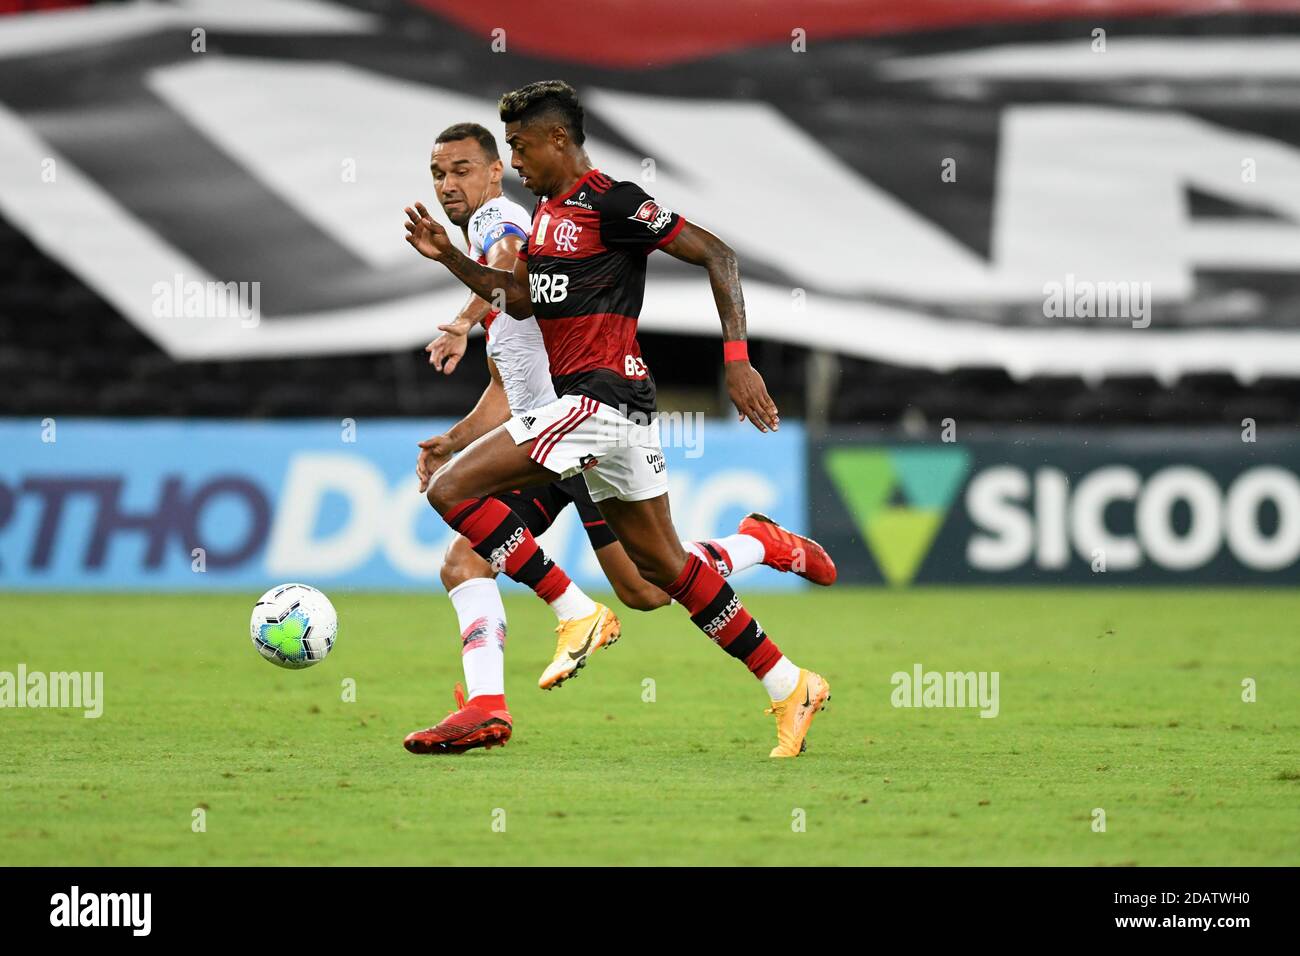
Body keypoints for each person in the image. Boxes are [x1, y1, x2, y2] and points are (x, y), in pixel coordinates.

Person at [404, 81, 831, 758]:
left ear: (557, 140)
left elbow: (718, 255)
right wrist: (450, 259)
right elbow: (518, 303)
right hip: (613, 413)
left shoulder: (615, 200)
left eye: (518, 147)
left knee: (449, 490)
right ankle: (788, 681)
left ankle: (574, 613)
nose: (515, 162)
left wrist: (738, 360)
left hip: (595, 404)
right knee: (661, 576)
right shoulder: (545, 216)